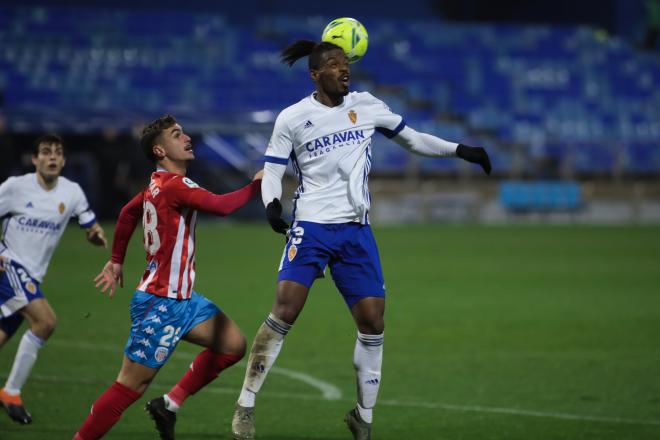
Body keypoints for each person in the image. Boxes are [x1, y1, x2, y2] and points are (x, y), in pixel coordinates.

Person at [231, 40, 491, 440]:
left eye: (345, 63)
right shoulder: (293, 117)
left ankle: (363, 418)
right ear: (315, 74)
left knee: (373, 322)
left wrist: (462, 150)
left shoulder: (367, 105)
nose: (344, 69)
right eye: (334, 65)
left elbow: (414, 139)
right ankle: (245, 406)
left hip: (356, 229)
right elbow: (272, 169)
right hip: (312, 226)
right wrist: (271, 205)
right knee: (285, 310)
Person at [73, 115, 263, 440]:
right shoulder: (175, 185)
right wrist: (257, 185)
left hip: (184, 300)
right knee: (129, 386)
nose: (187, 137)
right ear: (160, 150)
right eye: (177, 135)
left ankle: (168, 404)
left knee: (232, 345)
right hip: (160, 303)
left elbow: (127, 213)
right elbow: (221, 206)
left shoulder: (154, 186)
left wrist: (117, 260)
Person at [0, 134, 107, 424]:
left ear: (63, 160)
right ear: (34, 159)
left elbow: (89, 222)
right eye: (46, 152)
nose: (52, 157)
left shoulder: (71, 192)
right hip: (8, 265)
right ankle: (11, 393)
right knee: (46, 321)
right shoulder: (15, 188)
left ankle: (10, 393)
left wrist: (95, 234)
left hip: (31, 276)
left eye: (58, 153)